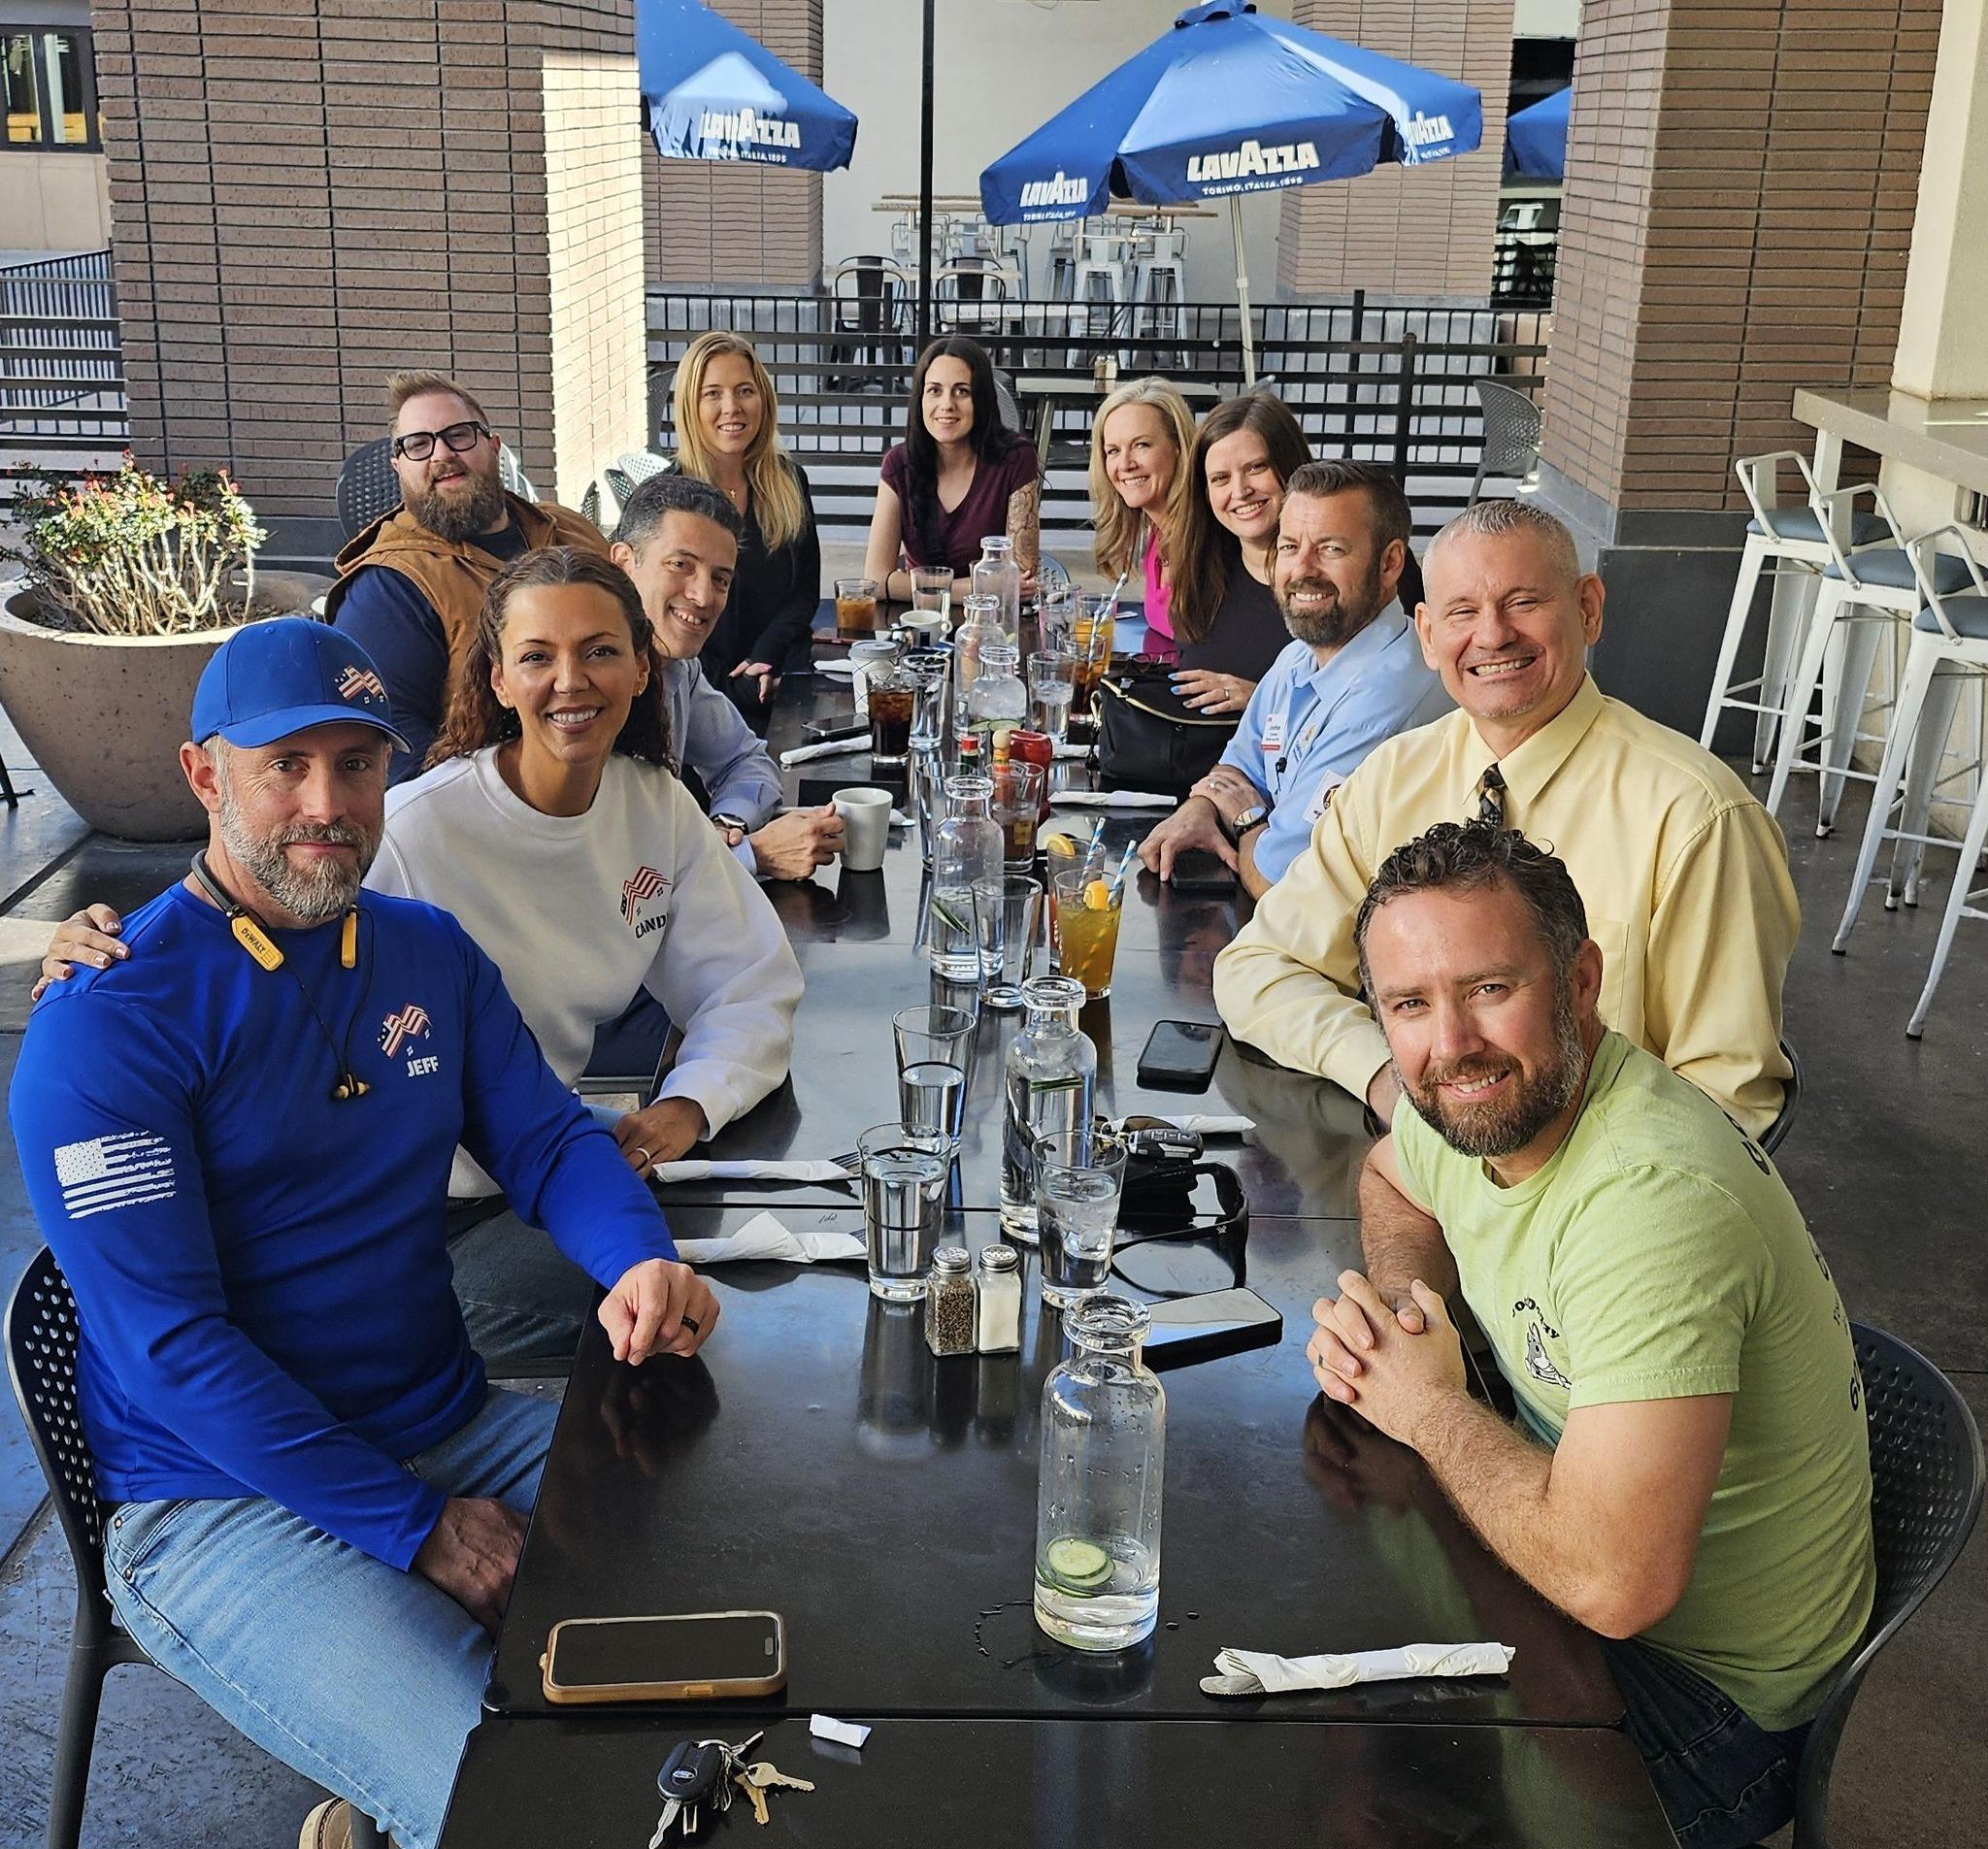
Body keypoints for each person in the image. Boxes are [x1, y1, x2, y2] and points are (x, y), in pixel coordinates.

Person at [8, 616, 718, 1849]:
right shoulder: (107, 1020)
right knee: (528, 1808)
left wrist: (638, 1259)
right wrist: (414, 1528)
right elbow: (173, 1352)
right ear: (203, 775)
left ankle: (377, 1804)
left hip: (445, 1425)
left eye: (356, 763)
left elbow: (549, 1141)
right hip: (216, 1499)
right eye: (283, 765)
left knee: (738, 1575)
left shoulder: (423, 950)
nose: (326, 804)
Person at [40, 550, 803, 1371]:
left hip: (515, 1179)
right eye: (538, 655)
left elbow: (729, 996)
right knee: (707, 1325)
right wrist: (120, 959)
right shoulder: (404, 837)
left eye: (600, 650)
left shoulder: (456, 921)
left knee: (691, 1288)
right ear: (498, 678)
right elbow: (261, 895)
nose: (571, 680)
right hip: (416, 1230)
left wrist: (686, 1111)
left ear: (643, 667)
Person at [1307, 821, 1872, 1849]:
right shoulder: (1472, 1107)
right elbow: (1392, 1178)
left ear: (1578, 984)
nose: (1450, 1044)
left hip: (1700, 1703)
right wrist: (1406, 1314)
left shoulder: (1648, 1202)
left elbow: (1615, 1585)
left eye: (1489, 988)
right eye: (1409, 1005)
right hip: (1576, 1589)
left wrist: (1425, 1404)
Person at [1212, 497, 1799, 1138]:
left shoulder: (1697, 816)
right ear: (1428, 635)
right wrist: (1387, 1078)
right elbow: (1258, 968)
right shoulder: (1391, 781)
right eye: (1462, 612)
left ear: (1588, 608)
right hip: (1416, 1158)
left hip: (1602, 1179)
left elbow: (1729, 1101)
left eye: (1523, 602)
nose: (1492, 635)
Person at [1138, 461, 1449, 899]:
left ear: (1390, 563)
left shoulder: (1386, 698)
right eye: (1289, 546)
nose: (1302, 569)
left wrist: (1246, 818)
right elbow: (1240, 764)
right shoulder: (1300, 655)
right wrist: (1201, 807)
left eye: (1331, 549)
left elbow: (1279, 882)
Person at [326, 371, 609, 777]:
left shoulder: (567, 527)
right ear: (398, 467)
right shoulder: (388, 588)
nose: (442, 454)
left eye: (459, 435)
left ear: (494, 446)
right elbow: (391, 754)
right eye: (418, 445)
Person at [611, 471, 844, 880]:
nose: (703, 596)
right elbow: (615, 875)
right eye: (680, 565)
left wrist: (729, 828)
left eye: (720, 579)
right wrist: (754, 854)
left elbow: (746, 760)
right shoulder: (588, 686)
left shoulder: (678, 667)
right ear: (624, 564)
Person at [669, 330, 822, 726]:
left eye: (744, 391)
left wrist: (764, 657)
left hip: (781, 680)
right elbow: (657, 620)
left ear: (763, 399)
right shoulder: (666, 502)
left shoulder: (790, 481)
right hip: (694, 700)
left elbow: (804, 593)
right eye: (712, 394)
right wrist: (733, 684)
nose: (732, 407)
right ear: (690, 405)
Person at [863, 334, 1040, 600]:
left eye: (962, 391)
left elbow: (1018, 579)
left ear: (981, 399)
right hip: (921, 619)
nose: (947, 405)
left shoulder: (1016, 458)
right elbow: (875, 581)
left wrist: (915, 586)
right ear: (920, 399)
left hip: (993, 619)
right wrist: (975, 588)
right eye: (935, 390)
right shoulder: (898, 465)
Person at [1167, 391, 1313, 710]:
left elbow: (1380, 703)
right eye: (1220, 478)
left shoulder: (1344, 575)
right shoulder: (1197, 577)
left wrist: (1261, 700)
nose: (1240, 491)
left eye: (1256, 467)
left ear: (1292, 466)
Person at [1089, 376, 1195, 659]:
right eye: (1113, 451)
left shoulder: (1206, 538)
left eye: (1141, 445)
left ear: (1178, 447)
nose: (1125, 464)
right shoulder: (1156, 533)